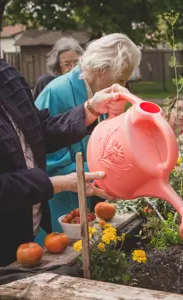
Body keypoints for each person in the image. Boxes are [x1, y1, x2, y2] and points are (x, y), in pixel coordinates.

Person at [0, 0, 128, 299]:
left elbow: (35, 130)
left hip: (17, 244)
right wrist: (56, 184)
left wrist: (88, 111)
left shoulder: (3, 73)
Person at [35, 33, 141, 232]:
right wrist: (104, 172)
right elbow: (46, 160)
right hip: (60, 204)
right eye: (120, 79)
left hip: (92, 197)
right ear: (102, 70)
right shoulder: (55, 92)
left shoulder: (99, 91)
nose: (122, 87)